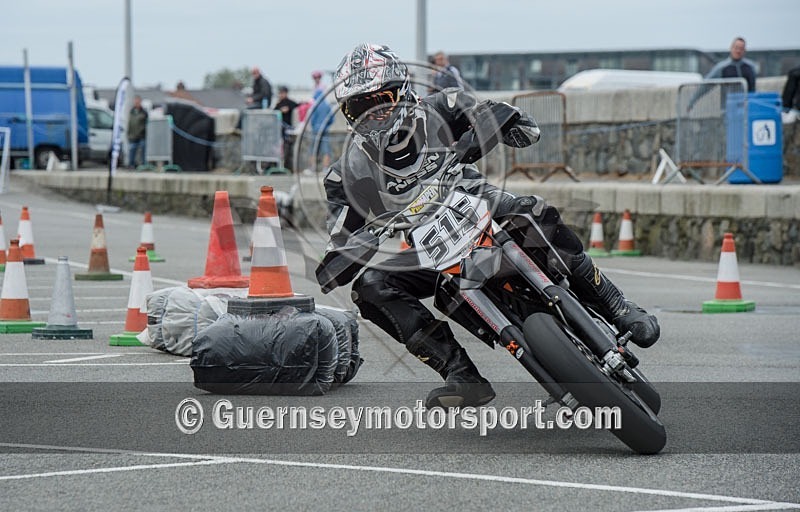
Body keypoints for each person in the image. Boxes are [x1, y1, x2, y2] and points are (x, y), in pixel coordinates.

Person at [315, 43, 660, 409]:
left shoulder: (441, 107)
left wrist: (482, 134)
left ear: (402, 89)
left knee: (534, 212)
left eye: (379, 99)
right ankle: (461, 375)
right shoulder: (344, 172)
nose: (373, 113)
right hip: (427, 246)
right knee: (371, 287)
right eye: (359, 106)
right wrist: (351, 250)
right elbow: (339, 241)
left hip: (482, 205)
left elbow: (513, 121)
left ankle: (617, 306)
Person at [307, 70, 334, 171]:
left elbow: (312, 119)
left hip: (316, 129)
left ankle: (312, 168)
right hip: (325, 129)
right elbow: (332, 118)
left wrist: (314, 126)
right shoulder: (327, 105)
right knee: (326, 149)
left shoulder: (315, 105)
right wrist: (327, 126)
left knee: (313, 149)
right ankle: (325, 168)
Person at [274, 85, 299, 170]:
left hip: (288, 130)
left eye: (282, 93)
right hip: (279, 130)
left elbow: (297, 105)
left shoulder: (289, 102)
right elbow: (274, 112)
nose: (281, 95)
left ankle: (288, 168)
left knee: (288, 150)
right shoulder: (278, 103)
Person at [126, 95, 148, 168]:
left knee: (142, 150)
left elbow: (146, 124)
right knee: (132, 150)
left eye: (138, 101)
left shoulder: (144, 112)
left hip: (141, 136)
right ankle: (131, 165)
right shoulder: (131, 112)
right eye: (135, 101)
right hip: (132, 136)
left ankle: (143, 165)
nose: (136, 102)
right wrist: (128, 134)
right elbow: (130, 123)